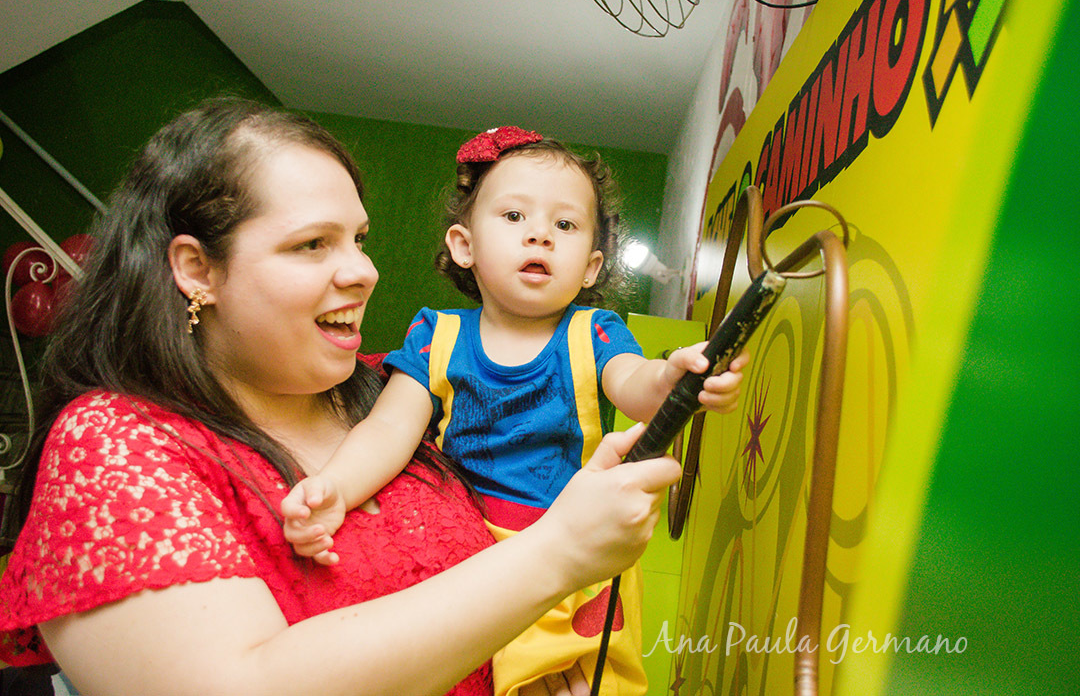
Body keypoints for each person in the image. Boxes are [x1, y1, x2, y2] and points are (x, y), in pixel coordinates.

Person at [0, 98, 685, 696]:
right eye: (311, 244)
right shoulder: (116, 444)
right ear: (197, 268)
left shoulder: (384, 388)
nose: (363, 271)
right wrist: (555, 555)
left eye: (358, 240)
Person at [280, 126, 748, 696]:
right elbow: (389, 427)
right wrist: (335, 488)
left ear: (591, 267)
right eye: (514, 216)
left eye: (565, 225)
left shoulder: (593, 333)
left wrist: (674, 378)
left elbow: (635, 384)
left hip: (570, 547)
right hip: (462, 552)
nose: (540, 235)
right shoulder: (436, 336)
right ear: (464, 246)